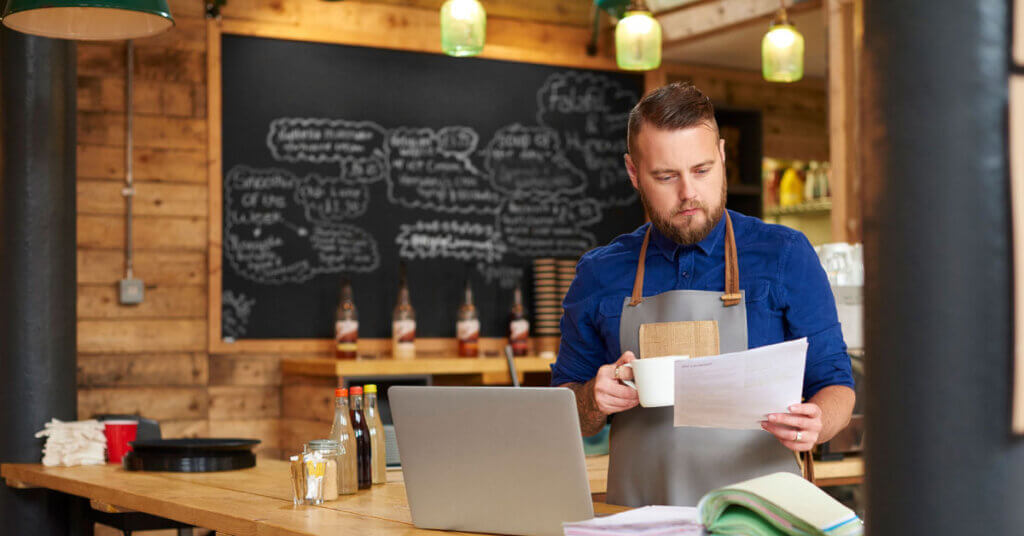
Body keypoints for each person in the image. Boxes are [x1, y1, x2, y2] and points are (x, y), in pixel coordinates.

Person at [552, 82, 855, 507]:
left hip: (760, 520)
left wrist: (818, 422)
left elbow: (836, 384)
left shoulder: (785, 255)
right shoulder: (599, 272)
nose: (688, 192)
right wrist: (592, 399)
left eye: (702, 170)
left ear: (724, 157)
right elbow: (564, 414)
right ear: (634, 172)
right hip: (640, 519)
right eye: (665, 176)